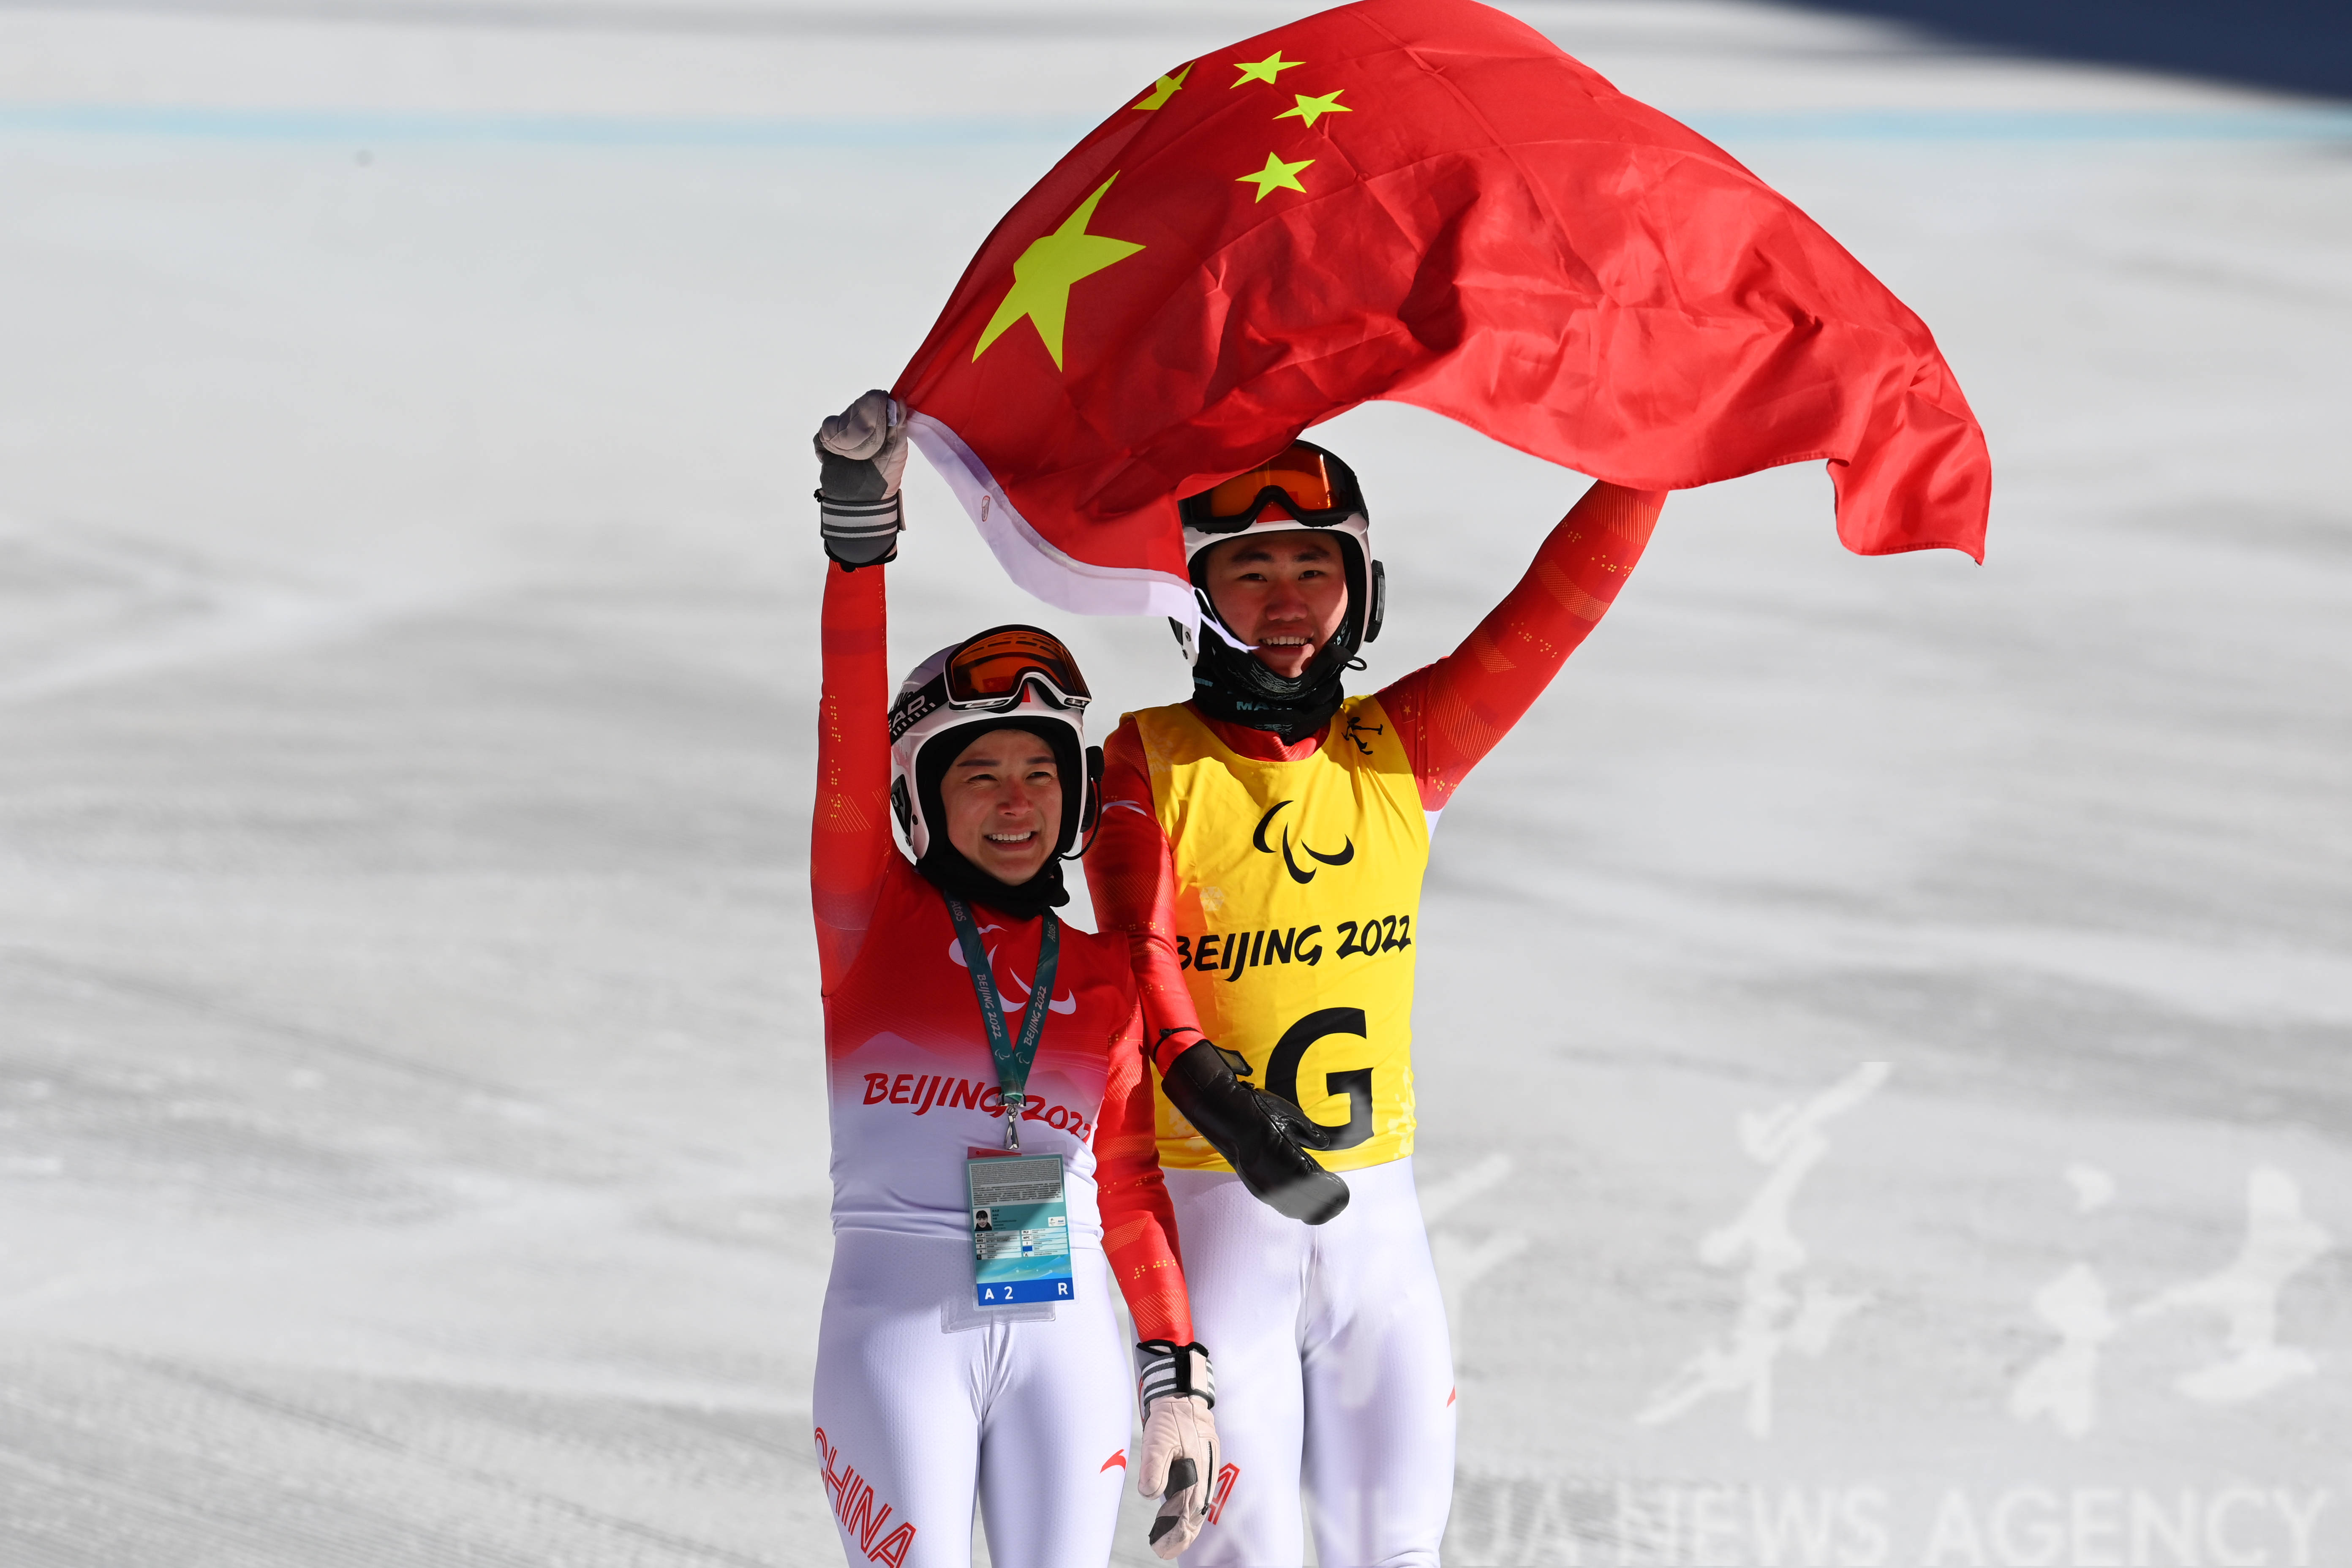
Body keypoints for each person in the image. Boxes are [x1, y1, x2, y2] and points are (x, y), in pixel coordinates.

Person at [1085, 438, 1666, 1566]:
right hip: (1219, 1227)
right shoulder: (1147, 759)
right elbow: (1133, 953)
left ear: (1363, 590)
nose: (1287, 602)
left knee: (1398, 1552)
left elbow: (1562, 602)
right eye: (1250, 571)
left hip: (1377, 1243)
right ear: (1194, 594)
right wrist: (1217, 1095)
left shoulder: (1405, 750)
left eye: (1316, 566)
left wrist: (1661, 449)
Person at [806, 391, 1224, 1565]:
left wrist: (1175, 1376)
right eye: (976, 773)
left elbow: (1131, 1184)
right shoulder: (868, 917)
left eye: (1038, 774)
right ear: (920, 800)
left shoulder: (1101, 974)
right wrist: (858, 537)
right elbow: (844, 727)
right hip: (900, 1335)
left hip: (1067, 1337)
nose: (1012, 802)